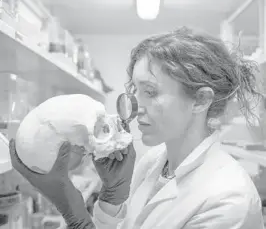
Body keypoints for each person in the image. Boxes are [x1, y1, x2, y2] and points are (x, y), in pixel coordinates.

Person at [9, 26, 265, 229]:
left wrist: (75, 214)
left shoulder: (227, 203)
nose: (132, 108)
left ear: (200, 100)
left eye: (151, 92)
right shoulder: (154, 162)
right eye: (135, 91)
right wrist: (112, 197)